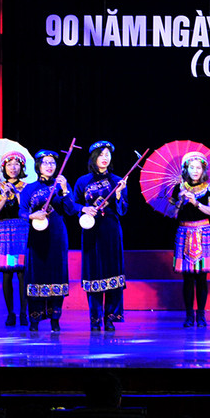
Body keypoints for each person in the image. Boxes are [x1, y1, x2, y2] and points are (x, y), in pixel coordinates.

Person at [74, 141, 129, 331]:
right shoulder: (83, 181)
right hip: (91, 231)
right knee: (94, 272)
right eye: (101, 154)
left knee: (112, 271)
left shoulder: (118, 181)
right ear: (94, 158)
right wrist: (84, 209)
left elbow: (123, 211)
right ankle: (95, 318)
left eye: (107, 154)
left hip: (111, 230)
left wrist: (119, 194)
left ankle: (110, 317)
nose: (104, 158)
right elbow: (73, 205)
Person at [20, 150, 78, 331]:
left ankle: (55, 318)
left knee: (56, 274)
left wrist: (65, 190)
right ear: (38, 166)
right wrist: (32, 215)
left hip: (57, 235)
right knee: (36, 274)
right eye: (45, 162)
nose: (49, 166)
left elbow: (71, 210)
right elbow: (21, 212)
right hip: (36, 236)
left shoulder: (61, 186)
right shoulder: (29, 188)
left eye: (52, 163)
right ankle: (35, 319)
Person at [171, 151, 210, 327]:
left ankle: (201, 315)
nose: (195, 171)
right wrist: (179, 201)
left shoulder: (209, 188)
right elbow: (171, 214)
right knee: (188, 278)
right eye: (192, 167)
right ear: (186, 169)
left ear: (203, 170)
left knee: (201, 277)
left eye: (198, 167)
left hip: (203, 231)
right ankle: (189, 315)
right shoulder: (179, 188)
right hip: (184, 232)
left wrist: (196, 202)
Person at [0, 151, 30, 327]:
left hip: (22, 229)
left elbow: (26, 209)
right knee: (7, 273)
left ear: (21, 167)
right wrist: (4, 197)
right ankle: (10, 313)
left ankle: (23, 313)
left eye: (16, 164)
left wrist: (16, 192)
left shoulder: (26, 186)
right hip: (4, 230)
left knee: (22, 274)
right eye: (9, 165)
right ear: (4, 168)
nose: (13, 168)